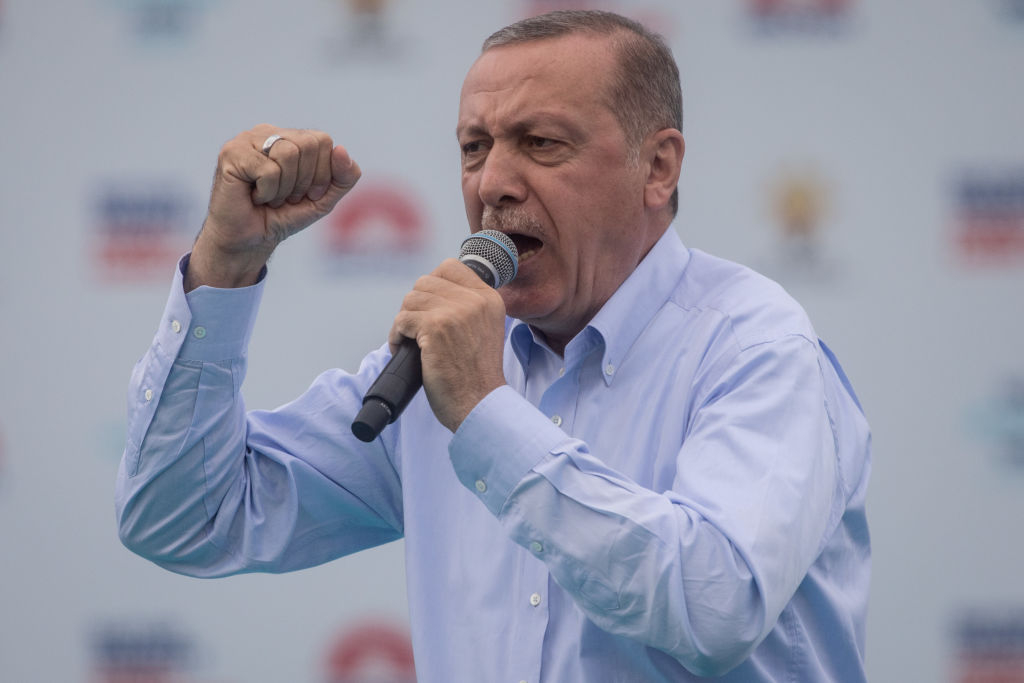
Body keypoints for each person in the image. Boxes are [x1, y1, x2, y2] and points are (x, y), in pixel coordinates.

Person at [116, 10, 871, 682]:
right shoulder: (442, 360)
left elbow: (715, 604)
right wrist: (225, 263)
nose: (494, 183)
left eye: (542, 143)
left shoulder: (757, 347)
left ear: (658, 166)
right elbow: (184, 515)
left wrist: (485, 412)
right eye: (474, 148)